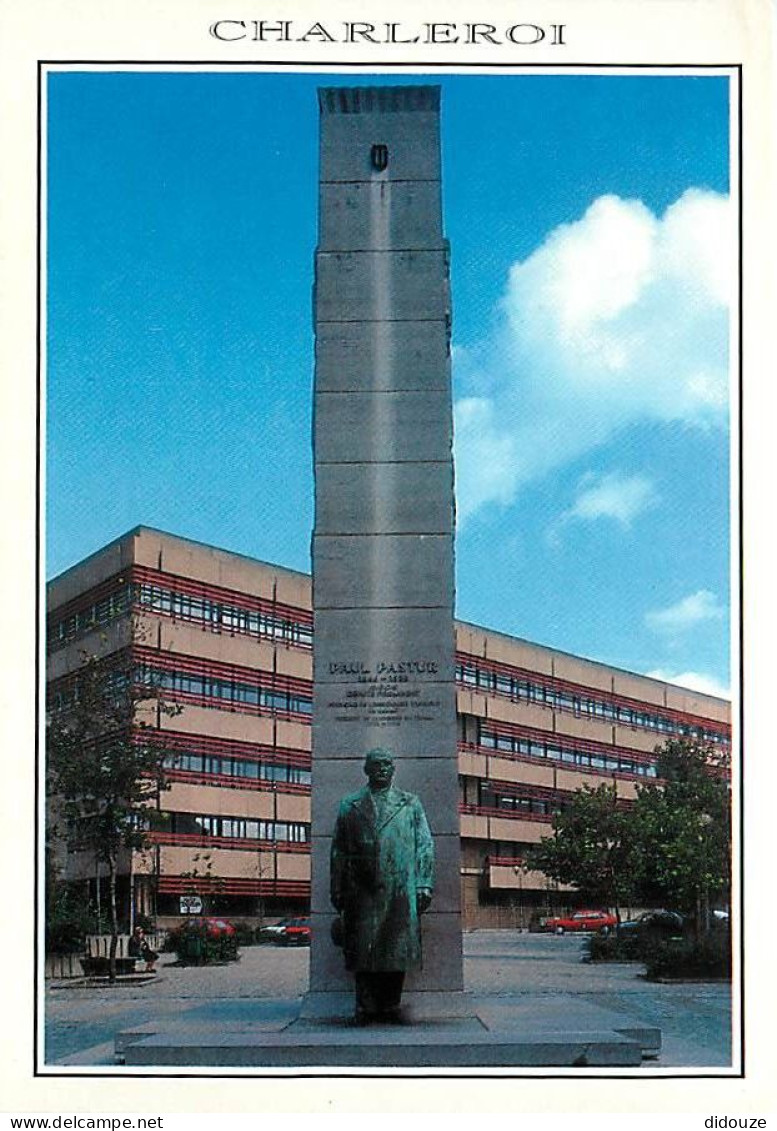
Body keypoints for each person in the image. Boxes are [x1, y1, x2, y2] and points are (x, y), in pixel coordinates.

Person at [330, 747, 434, 1024]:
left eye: (387, 764)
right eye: (376, 764)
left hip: (399, 888)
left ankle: (390, 1006)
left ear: (393, 769)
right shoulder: (349, 804)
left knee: (395, 950)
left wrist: (424, 884)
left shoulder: (410, 803)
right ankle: (366, 1006)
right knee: (362, 949)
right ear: (366, 769)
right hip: (360, 889)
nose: (382, 769)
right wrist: (337, 888)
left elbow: (424, 844)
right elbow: (338, 850)